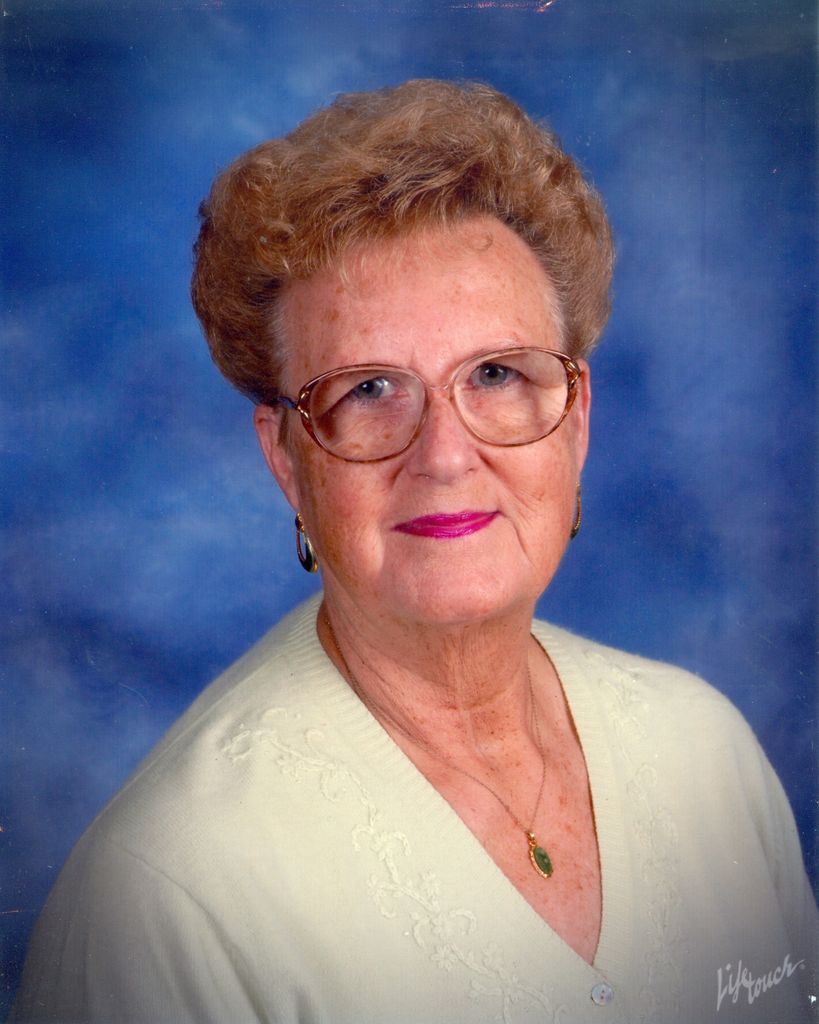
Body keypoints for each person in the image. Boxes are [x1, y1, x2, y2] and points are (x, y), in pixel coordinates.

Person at [10, 80, 815, 1024]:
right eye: (368, 390)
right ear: (286, 458)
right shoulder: (170, 895)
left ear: (575, 420)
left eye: (495, 373)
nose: (443, 456)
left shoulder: (705, 753)